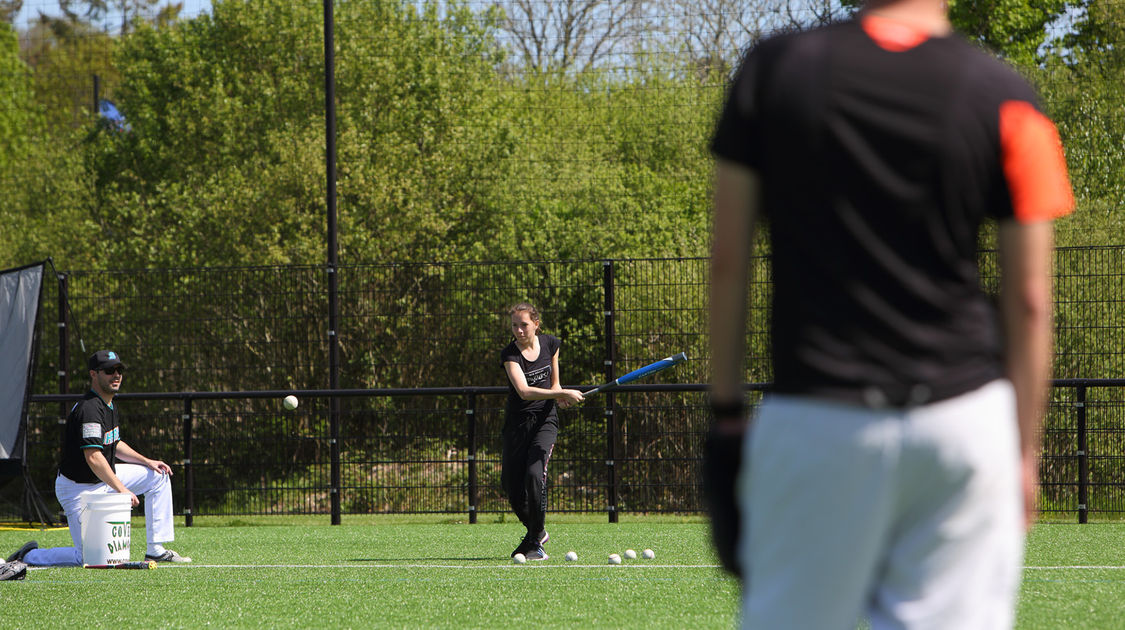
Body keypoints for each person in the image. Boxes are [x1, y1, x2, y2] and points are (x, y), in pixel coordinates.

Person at [706, 0, 1074, 627]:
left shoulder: (772, 73)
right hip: (963, 425)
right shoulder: (1009, 96)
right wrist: (1024, 450)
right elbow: (1031, 300)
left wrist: (725, 417)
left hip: (819, 420)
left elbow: (727, 265)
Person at [7, 350, 191, 567]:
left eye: (119, 370)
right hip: (79, 489)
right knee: (87, 557)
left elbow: (114, 444)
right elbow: (93, 457)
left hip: (102, 477)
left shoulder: (109, 403)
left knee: (157, 475)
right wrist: (122, 489)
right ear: (93, 374)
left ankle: (156, 550)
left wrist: (147, 461)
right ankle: (29, 556)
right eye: (109, 371)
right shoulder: (90, 409)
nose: (116, 375)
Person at [500, 303, 584, 561]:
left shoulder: (550, 344)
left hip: (545, 421)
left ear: (536, 323)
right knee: (511, 486)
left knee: (535, 474)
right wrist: (560, 393)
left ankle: (534, 540)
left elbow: (555, 382)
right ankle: (537, 531)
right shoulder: (510, 355)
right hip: (517, 424)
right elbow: (524, 391)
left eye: (524, 324)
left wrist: (559, 396)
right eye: (515, 325)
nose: (519, 330)